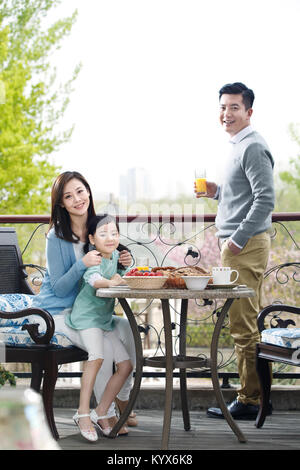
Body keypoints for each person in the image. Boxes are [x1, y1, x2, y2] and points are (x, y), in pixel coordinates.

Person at [32, 171, 137, 435]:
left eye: (80, 191)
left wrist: (125, 260)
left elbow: (110, 259)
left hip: (89, 308)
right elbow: (59, 287)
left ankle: (120, 399)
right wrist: (81, 265)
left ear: (88, 191)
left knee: (129, 333)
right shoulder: (57, 236)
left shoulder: (97, 226)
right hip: (58, 311)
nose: (77, 199)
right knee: (104, 348)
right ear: (62, 204)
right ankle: (106, 415)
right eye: (68, 196)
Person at [195, 82, 275, 420]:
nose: (226, 114)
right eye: (223, 107)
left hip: (244, 246)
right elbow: (243, 192)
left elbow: (265, 199)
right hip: (237, 247)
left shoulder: (253, 146)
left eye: (234, 108)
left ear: (249, 112)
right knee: (241, 321)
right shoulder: (238, 146)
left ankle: (251, 400)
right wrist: (217, 191)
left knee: (243, 325)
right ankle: (255, 397)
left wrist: (237, 239)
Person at [65, 214, 133, 441]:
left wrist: (125, 267)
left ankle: (100, 411)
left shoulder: (114, 256)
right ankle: (82, 413)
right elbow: (95, 280)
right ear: (92, 239)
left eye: (114, 233)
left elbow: (117, 276)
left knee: (125, 365)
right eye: (103, 234)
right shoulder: (92, 257)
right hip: (87, 319)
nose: (110, 238)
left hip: (104, 321)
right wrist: (112, 282)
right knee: (96, 358)